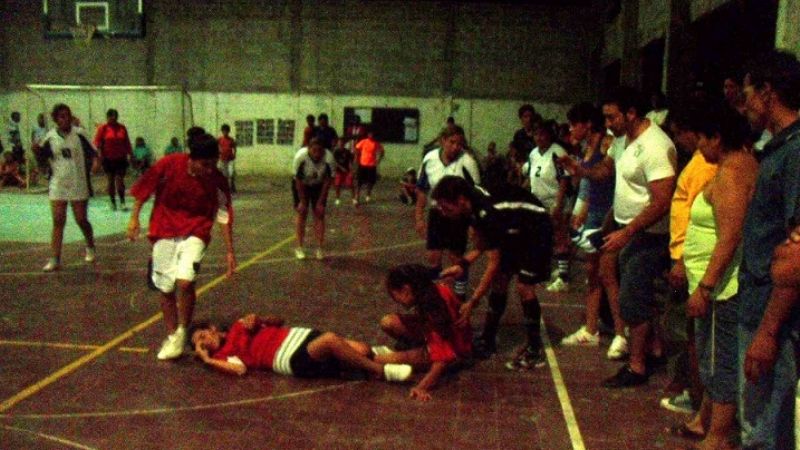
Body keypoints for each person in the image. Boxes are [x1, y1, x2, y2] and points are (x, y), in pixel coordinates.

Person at [560, 86, 677, 387]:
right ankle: (652, 349)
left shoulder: (656, 146)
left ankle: (637, 366)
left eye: (612, 117)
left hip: (647, 234)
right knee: (627, 289)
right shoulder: (622, 140)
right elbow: (606, 172)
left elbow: (662, 201)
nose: (607, 123)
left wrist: (628, 231)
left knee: (632, 298)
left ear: (631, 113)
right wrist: (580, 171)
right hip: (624, 228)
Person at [678, 105, 758, 450]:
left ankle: (719, 437)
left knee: (718, 359)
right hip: (716, 282)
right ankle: (706, 421)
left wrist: (706, 287)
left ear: (717, 138)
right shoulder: (736, 165)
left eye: (702, 139)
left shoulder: (732, 172)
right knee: (715, 354)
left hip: (722, 288)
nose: (698, 147)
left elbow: (730, 236)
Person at [127, 130, 236, 360]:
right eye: (205, 164)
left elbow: (224, 214)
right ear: (192, 158)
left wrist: (229, 251)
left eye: (213, 164)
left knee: (185, 281)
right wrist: (134, 218)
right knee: (166, 287)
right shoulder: (169, 165)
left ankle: (183, 330)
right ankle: (172, 335)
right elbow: (144, 189)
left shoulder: (216, 179)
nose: (210, 169)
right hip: (164, 229)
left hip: (196, 230)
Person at [737, 50, 800, 450]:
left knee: (763, 432)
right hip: (758, 303)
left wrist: (768, 332)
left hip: (772, 312)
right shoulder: (778, 148)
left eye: (747, 95)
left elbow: (796, 257)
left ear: (767, 92)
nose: (743, 105)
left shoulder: (795, 153)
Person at [432, 176, 553, 369]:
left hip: (536, 231)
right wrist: (462, 265)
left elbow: (493, 263)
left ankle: (535, 349)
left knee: (524, 287)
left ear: (460, 200)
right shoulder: (472, 206)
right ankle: (488, 338)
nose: (443, 212)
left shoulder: (487, 211)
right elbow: (483, 243)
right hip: (514, 228)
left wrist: (472, 302)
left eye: (446, 207)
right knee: (500, 281)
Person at [191, 313, 413, 383]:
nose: (204, 343)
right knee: (331, 340)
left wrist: (260, 318)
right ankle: (381, 372)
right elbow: (240, 370)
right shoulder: (222, 355)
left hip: (300, 335)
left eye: (202, 337)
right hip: (289, 356)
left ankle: (415, 359)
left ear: (212, 328)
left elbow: (279, 320)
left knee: (363, 350)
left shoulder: (240, 325)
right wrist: (207, 359)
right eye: (200, 345)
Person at [560, 102, 622, 350]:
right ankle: (591, 328)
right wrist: (582, 211)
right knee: (593, 273)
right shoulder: (589, 147)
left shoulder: (608, 144)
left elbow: (610, 180)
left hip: (608, 214)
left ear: (587, 124)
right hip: (595, 212)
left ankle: (620, 333)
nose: (570, 129)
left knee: (607, 275)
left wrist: (608, 217)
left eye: (574, 124)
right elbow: (589, 184)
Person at [379, 264, 472, 401]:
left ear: (406, 290)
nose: (396, 301)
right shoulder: (433, 290)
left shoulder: (434, 310)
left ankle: (421, 352)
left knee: (384, 359)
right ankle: (419, 348)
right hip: (445, 338)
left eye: (394, 295)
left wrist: (421, 387)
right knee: (388, 322)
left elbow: (442, 359)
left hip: (454, 350)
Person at [415, 126, 481, 300]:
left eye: (459, 143)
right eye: (452, 142)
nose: (456, 147)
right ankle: (437, 294)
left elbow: (476, 194)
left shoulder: (468, 162)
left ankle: (459, 296)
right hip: (437, 213)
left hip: (458, 216)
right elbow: (422, 189)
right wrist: (419, 216)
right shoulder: (430, 159)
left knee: (456, 257)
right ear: (442, 141)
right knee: (433, 255)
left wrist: (473, 224)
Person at [32, 104, 98, 272]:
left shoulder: (80, 134)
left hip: (78, 182)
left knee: (81, 219)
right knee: (58, 221)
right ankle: (55, 258)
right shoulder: (50, 137)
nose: (65, 119)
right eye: (61, 116)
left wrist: (96, 164)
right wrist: (36, 152)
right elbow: (42, 159)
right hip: (58, 184)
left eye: (67, 115)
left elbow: (94, 152)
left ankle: (90, 245)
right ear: (56, 119)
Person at [521, 119, 571, 293]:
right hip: (537, 201)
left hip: (554, 200)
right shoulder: (534, 153)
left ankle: (564, 278)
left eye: (543, 134)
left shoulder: (557, 152)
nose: (539, 138)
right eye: (536, 134)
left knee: (559, 236)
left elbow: (564, 178)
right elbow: (531, 177)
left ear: (549, 135)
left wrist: (558, 203)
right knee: (540, 237)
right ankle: (545, 271)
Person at [292, 138, 335, 260]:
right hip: (302, 185)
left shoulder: (329, 159)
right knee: (302, 213)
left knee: (319, 214)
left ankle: (319, 248)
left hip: (319, 185)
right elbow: (298, 181)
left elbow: (328, 181)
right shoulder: (300, 157)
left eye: (320, 151)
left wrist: (320, 202)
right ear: (308, 149)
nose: (317, 154)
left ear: (324, 150)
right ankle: (299, 247)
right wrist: (302, 201)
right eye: (314, 150)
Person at [94, 108, 132, 211]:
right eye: (111, 117)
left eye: (115, 117)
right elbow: (97, 143)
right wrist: (99, 156)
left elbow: (127, 142)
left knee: (120, 180)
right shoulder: (103, 128)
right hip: (108, 159)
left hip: (121, 158)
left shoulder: (122, 128)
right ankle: (112, 202)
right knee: (110, 181)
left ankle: (122, 202)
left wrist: (131, 154)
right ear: (107, 117)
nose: (113, 119)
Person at [353, 128, 384, 204]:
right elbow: (356, 149)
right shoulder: (363, 142)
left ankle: (368, 195)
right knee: (359, 182)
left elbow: (382, 151)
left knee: (370, 182)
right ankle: (357, 197)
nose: (371, 135)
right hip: (362, 164)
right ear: (368, 135)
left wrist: (378, 160)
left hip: (371, 165)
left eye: (372, 134)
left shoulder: (376, 143)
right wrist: (356, 158)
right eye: (370, 134)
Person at [331, 137, 355, 206]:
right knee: (337, 185)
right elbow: (334, 162)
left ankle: (354, 199)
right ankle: (337, 198)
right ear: (338, 143)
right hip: (338, 171)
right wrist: (341, 168)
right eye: (339, 142)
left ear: (344, 143)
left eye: (342, 142)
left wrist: (351, 170)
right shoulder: (335, 151)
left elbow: (350, 161)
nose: (341, 144)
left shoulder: (347, 151)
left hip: (347, 171)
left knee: (350, 184)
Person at [218, 124, 237, 194]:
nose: (225, 132)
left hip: (230, 159)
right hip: (223, 159)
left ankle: (232, 186)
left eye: (226, 131)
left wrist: (234, 154)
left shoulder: (231, 140)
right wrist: (218, 152)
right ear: (222, 131)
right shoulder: (219, 139)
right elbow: (215, 146)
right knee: (224, 174)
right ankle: (225, 187)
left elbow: (234, 147)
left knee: (231, 173)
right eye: (224, 131)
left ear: (228, 132)